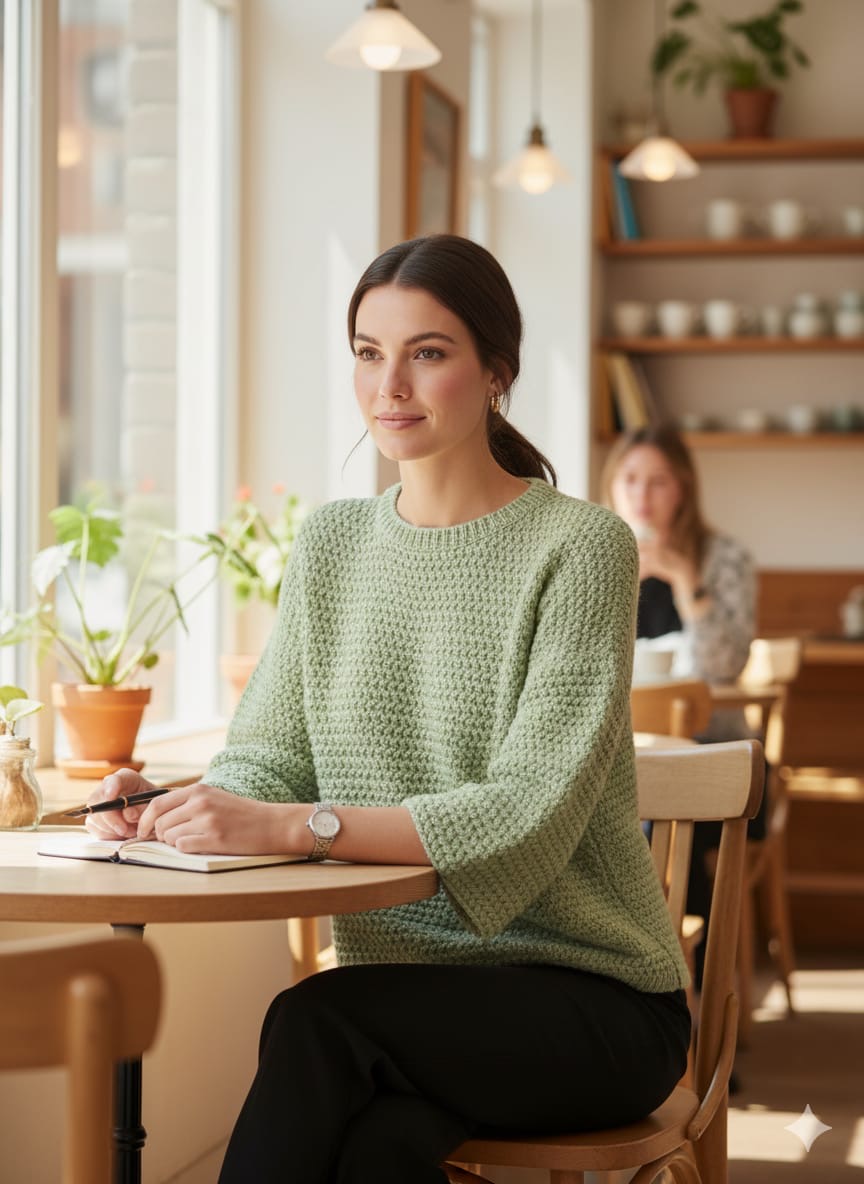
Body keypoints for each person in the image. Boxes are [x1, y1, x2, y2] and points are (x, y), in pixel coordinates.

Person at [86, 235, 690, 1184]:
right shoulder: (332, 544)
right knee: (377, 1148)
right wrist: (173, 807)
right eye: (369, 353)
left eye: (428, 353)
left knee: (314, 1021)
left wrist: (298, 825)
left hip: (593, 996)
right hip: (406, 1004)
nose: (389, 386)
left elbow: (527, 813)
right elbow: (267, 759)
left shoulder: (582, 547)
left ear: (496, 371)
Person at [602, 424, 759, 987]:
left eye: (659, 482)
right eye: (630, 479)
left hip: (712, 752)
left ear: (684, 490)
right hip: (618, 758)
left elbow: (724, 667)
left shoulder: (724, 559)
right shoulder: (597, 553)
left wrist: (685, 578)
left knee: (677, 812)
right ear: (612, 486)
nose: (642, 496)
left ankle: (676, 989)